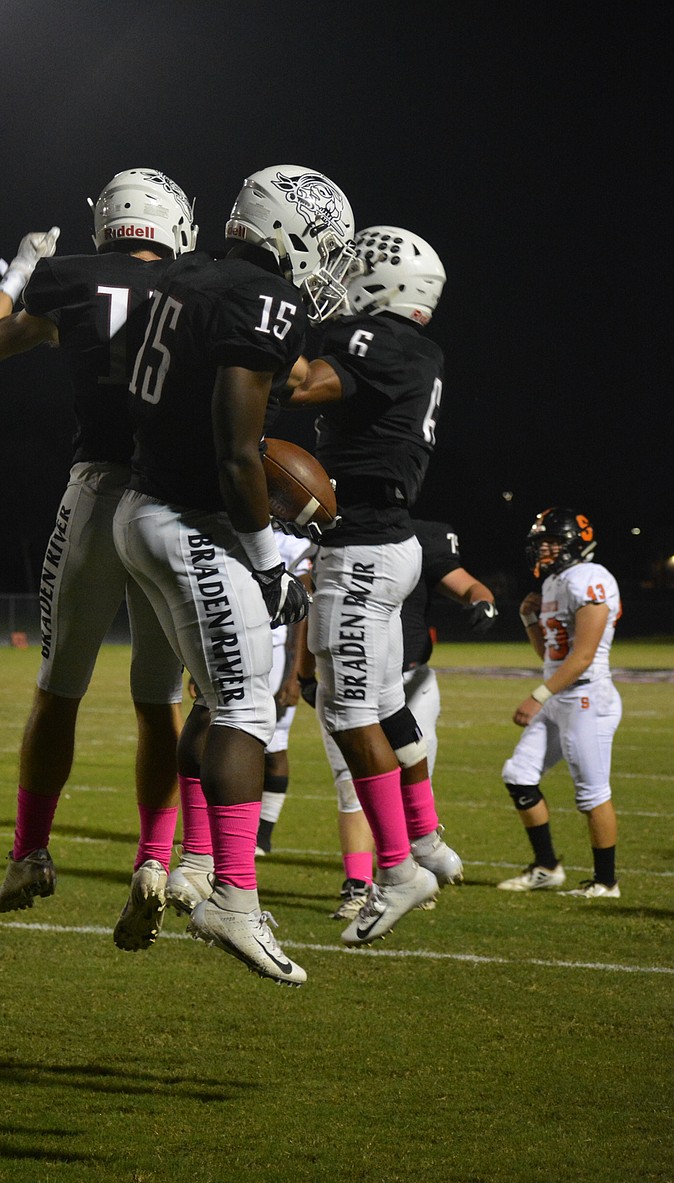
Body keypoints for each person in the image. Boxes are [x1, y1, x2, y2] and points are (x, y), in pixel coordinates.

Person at [113, 165, 358, 986]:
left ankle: (193, 865)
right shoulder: (265, 298)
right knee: (248, 705)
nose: (322, 263)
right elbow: (233, 448)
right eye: (321, 244)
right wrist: (269, 560)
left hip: (147, 504)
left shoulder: (184, 273)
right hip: (189, 518)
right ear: (287, 232)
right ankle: (233, 896)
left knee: (224, 698)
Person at [0, 169, 196, 946]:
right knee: (159, 700)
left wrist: (22, 269)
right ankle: (154, 860)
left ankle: (29, 850)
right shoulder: (197, 283)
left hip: (97, 493)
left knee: (58, 688)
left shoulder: (69, 279)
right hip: (172, 499)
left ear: (107, 226)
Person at [284, 225, 455, 946]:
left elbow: (304, 384)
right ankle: (425, 838)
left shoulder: (374, 340)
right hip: (389, 539)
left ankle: (395, 871)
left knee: (347, 711)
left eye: (354, 269)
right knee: (383, 704)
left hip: (361, 548)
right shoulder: (417, 347)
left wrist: (260, 333)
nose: (339, 277)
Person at [302, 519, 497, 918]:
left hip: (409, 679)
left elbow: (466, 584)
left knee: (412, 777)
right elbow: (314, 609)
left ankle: (408, 872)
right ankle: (358, 886)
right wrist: (305, 674)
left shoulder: (416, 538)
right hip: (348, 677)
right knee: (351, 785)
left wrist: (482, 600)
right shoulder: (331, 538)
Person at [497, 507, 623, 897]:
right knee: (519, 774)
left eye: (552, 542)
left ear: (577, 542)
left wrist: (538, 696)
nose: (545, 550)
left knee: (591, 792)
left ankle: (606, 882)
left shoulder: (591, 578)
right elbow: (551, 655)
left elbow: (582, 656)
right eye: (541, 544)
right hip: (561, 693)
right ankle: (547, 867)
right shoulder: (555, 583)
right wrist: (528, 621)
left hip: (586, 695)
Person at [254, 527, 315, 858]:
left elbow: (303, 607)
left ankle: (262, 835)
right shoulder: (235, 527)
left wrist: (294, 675)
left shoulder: (295, 544)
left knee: (273, 745)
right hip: (237, 645)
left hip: (277, 652)